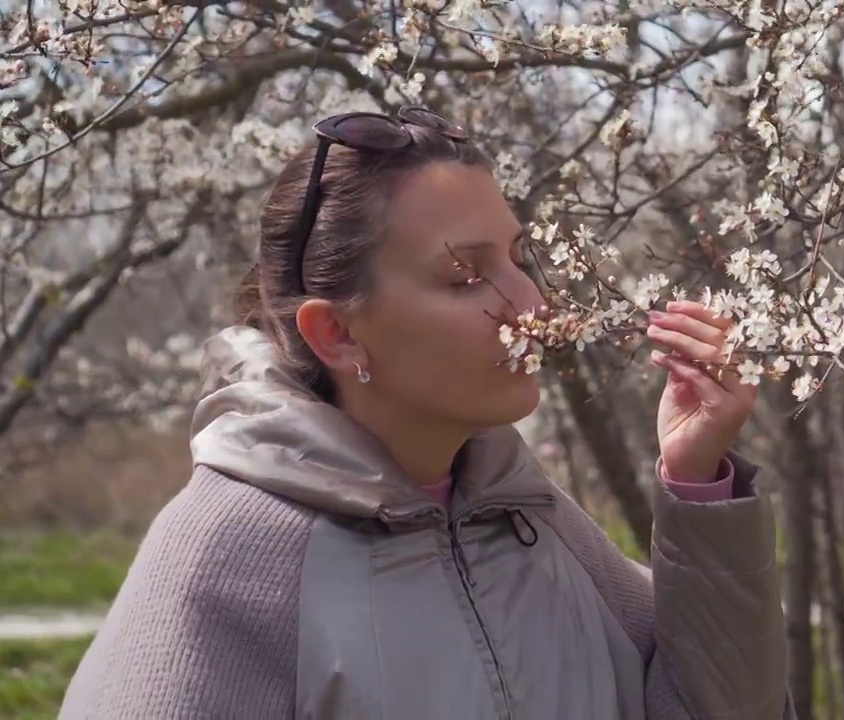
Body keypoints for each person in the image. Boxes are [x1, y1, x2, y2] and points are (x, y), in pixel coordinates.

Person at [59, 106, 793, 719]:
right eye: (467, 275)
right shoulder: (226, 554)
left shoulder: (532, 516)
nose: (530, 304)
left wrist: (696, 483)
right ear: (338, 333)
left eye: (517, 259)